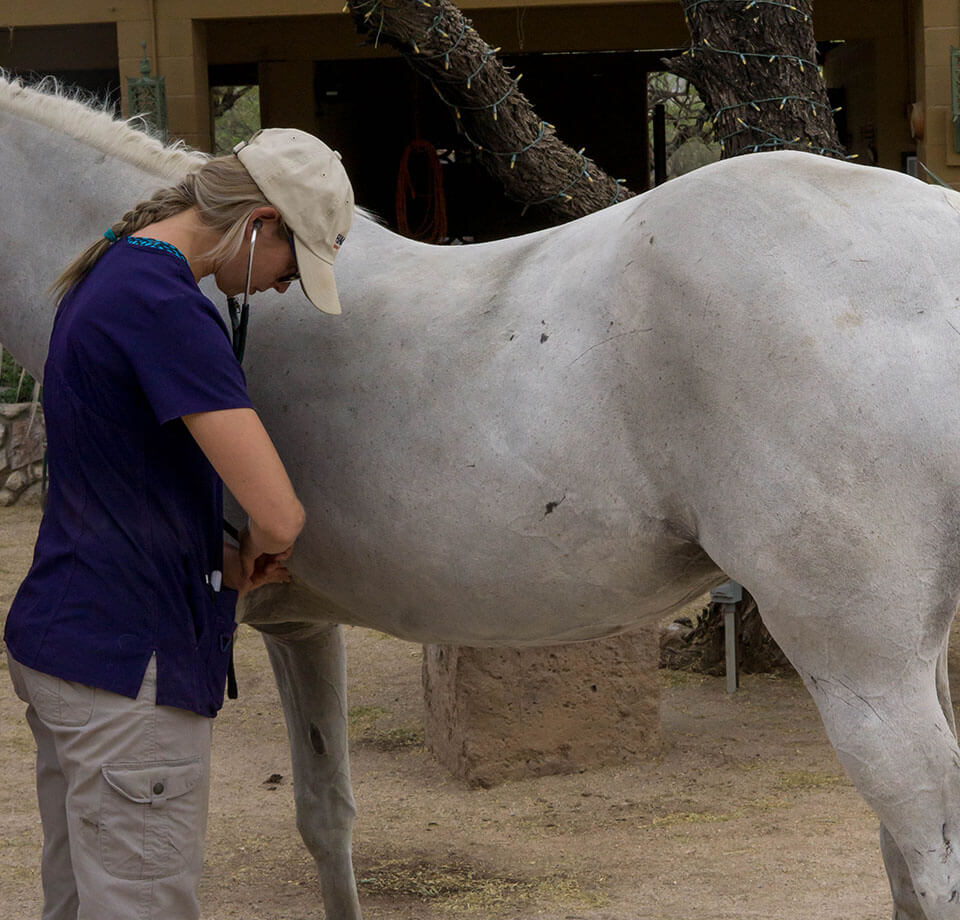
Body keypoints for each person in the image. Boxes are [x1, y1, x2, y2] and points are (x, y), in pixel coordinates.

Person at [3, 128, 354, 920]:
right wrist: (263, 546)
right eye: (293, 264)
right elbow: (278, 511)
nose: (280, 288)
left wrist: (220, 562)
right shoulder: (166, 309)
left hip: (70, 644)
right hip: (131, 674)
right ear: (261, 222)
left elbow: (118, 477)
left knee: (79, 899)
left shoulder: (108, 273)